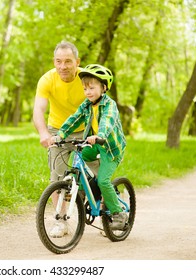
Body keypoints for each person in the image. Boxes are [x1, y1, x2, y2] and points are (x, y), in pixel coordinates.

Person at [50, 64, 128, 234]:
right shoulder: (86, 105)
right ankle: (86, 190)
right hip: (94, 145)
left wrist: (99, 135)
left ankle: (118, 213)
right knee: (80, 159)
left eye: (92, 88)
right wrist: (61, 134)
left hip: (109, 148)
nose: (88, 92)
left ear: (104, 87)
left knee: (103, 180)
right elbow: (74, 118)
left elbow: (107, 121)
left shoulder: (110, 105)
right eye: (85, 88)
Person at [33, 41, 86, 184]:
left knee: (92, 176)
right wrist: (43, 133)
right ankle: (59, 208)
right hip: (57, 130)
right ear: (54, 62)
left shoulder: (87, 79)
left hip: (84, 130)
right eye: (59, 61)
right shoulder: (47, 80)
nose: (63, 66)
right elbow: (38, 108)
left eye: (68, 61)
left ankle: (99, 203)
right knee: (57, 178)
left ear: (77, 62)